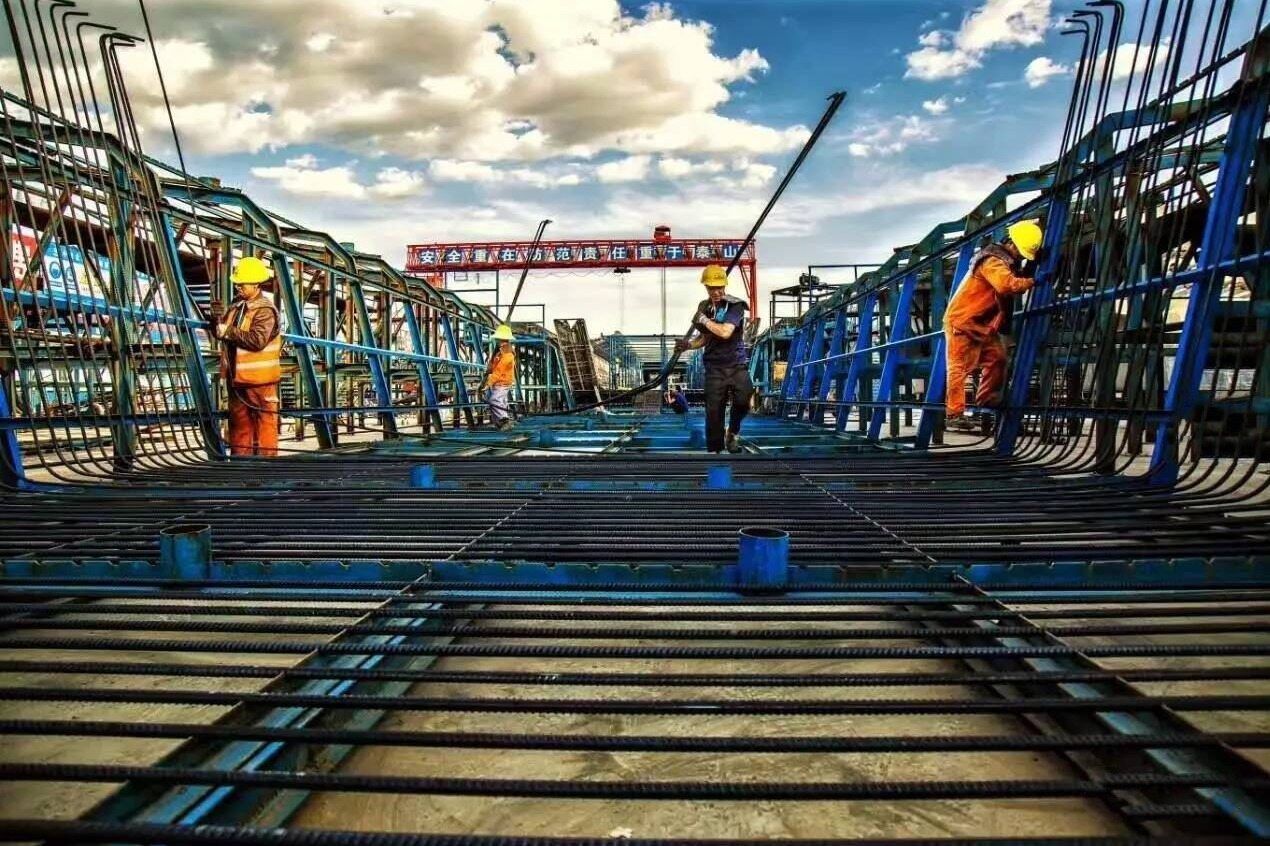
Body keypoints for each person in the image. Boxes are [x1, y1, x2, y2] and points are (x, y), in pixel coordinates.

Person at [943, 220, 1043, 433]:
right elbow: (1006, 285)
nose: (1021, 258)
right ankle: (954, 414)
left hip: (982, 324)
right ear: (1012, 245)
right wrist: (1033, 281)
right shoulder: (992, 261)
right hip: (962, 321)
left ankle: (987, 399)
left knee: (997, 358)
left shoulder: (1004, 261)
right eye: (1021, 254)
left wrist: (1030, 269)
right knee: (959, 367)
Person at [211, 256, 282, 456]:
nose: (238, 287)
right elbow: (221, 332)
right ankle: (240, 465)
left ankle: (267, 467)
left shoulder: (265, 310)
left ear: (256, 284)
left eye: (242, 284)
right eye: (237, 283)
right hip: (237, 379)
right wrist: (214, 320)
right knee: (239, 425)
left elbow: (257, 340)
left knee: (264, 424)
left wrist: (228, 331)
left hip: (260, 381)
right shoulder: (236, 307)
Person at [675, 265, 751, 453]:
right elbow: (705, 338)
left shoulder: (735, 306)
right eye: (711, 288)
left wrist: (704, 320)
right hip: (714, 367)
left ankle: (732, 432)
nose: (716, 292)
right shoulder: (704, 307)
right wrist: (688, 345)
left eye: (719, 287)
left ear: (725, 285)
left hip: (736, 364)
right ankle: (716, 452)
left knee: (743, 400)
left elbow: (725, 332)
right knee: (714, 412)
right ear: (706, 287)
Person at [480, 324, 517, 431]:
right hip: (499, 382)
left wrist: (489, 383)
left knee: (494, 400)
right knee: (499, 402)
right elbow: (493, 367)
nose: (496, 340)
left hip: (503, 382)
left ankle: (505, 421)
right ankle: (499, 423)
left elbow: (498, 371)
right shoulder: (500, 351)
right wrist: (486, 379)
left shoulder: (508, 354)